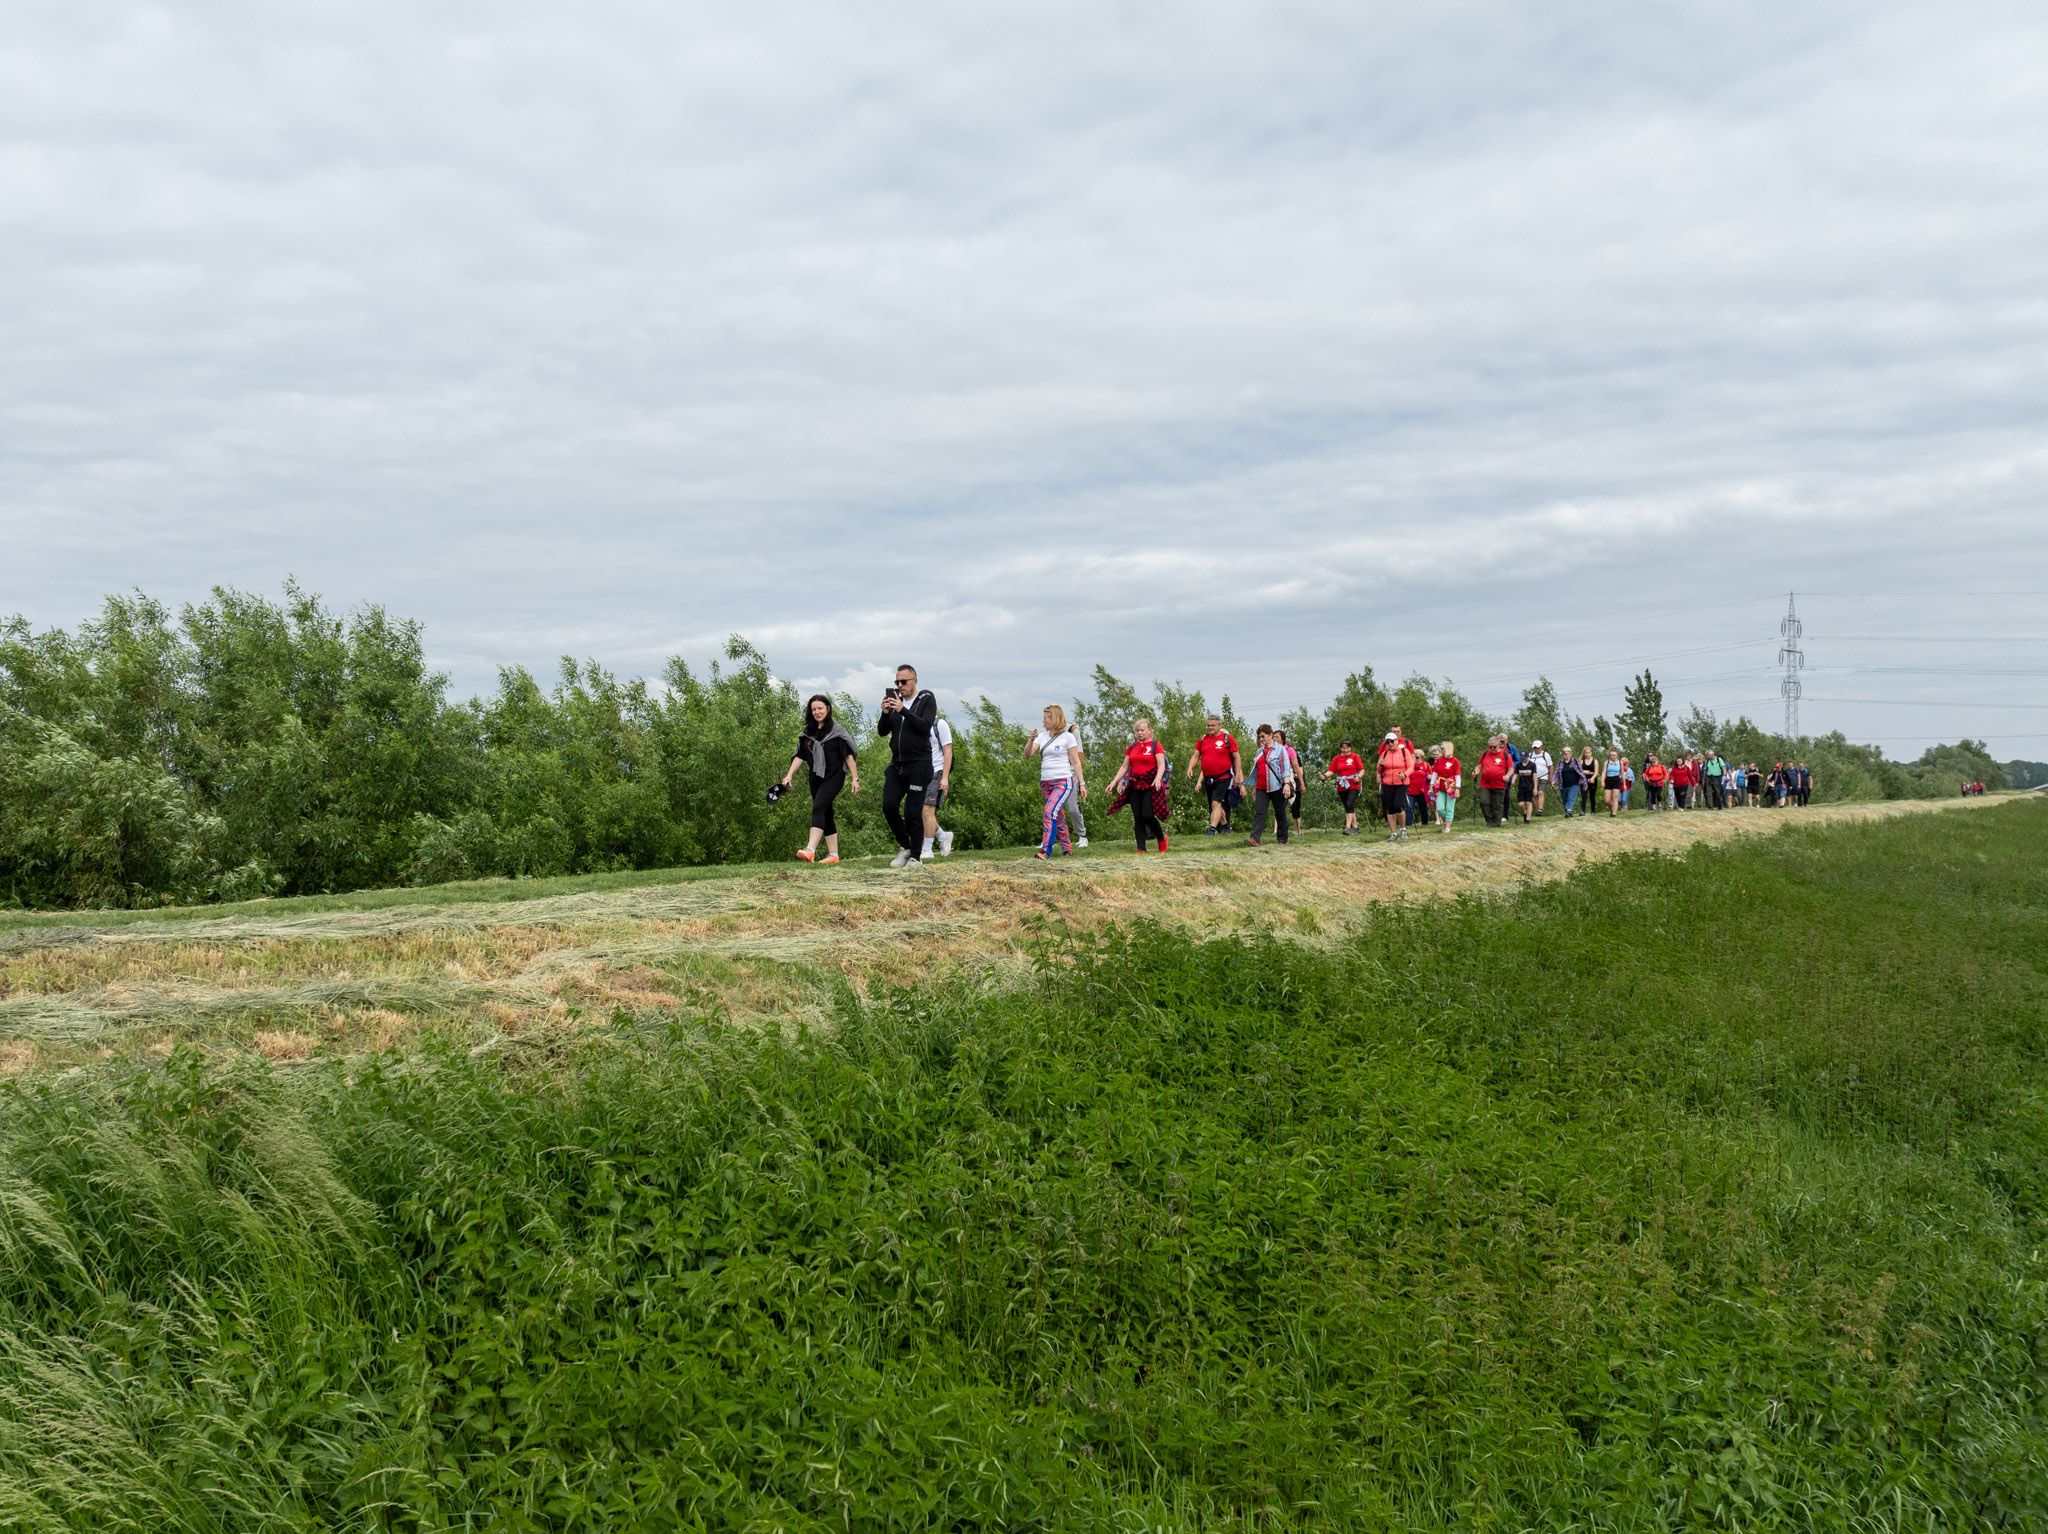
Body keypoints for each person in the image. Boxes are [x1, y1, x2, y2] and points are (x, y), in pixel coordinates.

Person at [781, 694, 860, 864]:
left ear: (828, 709)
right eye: (814, 709)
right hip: (815, 778)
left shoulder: (837, 732)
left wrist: (855, 778)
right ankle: (833, 855)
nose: (817, 712)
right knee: (826, 812)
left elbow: (848, 757)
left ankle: (810, 850)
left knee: (818, 808)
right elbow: (800, 756)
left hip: (834, 777)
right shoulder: (807, 733)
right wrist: (789, 775)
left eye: (820, 708)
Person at [877, 663, 938, 868]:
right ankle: (906, 846)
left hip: (919, 764)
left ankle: (916, 857)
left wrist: (903, 710)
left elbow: (924, 726)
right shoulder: (896, 703)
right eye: (897, 682)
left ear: (914, 681)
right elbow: (882, 732)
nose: (900, 686)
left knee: (912, 812)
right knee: (889, 806)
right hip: (897, 764)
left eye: (904, 681)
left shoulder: (926, 698)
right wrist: (886, 712)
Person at [1026, 705, 1085, 858]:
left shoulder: (1068, 737)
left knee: (1049, 812)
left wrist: (1082, 783)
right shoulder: (1041, 737)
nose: (1044, 721)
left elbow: (1076, 761)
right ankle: (1067, 848)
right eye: (1044, 717)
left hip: (1063, 781)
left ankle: (1046, 851)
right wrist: (1031, 740)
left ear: (1055, 719)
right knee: (1057, 815)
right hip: (1046, 782)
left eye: (1047, 717)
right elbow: (1028, 754)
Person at [1108, 717, 1170, 852]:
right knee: (1138, 817)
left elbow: (1161, 765)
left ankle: (1161, 838)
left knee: (1147, 815)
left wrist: (1158, 778)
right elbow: (1125, 767)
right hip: (1135, 786)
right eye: (1137, 731)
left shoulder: (1155, 745)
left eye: (1142, 730)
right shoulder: (1132, 747)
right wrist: (1115, 781)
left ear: (1150, 731)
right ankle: (1141, 848)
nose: (1139, 733)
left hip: (1151, 786)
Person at [1188, 714, 1243, 836]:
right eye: (1208, 725)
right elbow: (1196, 755)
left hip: (1223, 776)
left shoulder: (1227, 738)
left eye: (1212, 725)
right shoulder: (1203, 739)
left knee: (1215, 803)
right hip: (1208, 778)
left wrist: (1238, 775)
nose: (1210, 727)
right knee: (1215, 804)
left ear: (1219, 725)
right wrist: (1190, 768)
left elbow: (1236, 757)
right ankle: (1225, 826)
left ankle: (1212, 829)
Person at [1246, 724, 1296, 846]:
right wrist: (1254, 787)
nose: (1261, 739)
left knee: (1280, 813)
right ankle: (1255, 839)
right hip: (1261, 788)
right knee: (1259, 813)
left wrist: (1286, 784)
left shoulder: (1281, 750)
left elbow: (1285, 769)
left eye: (1263, 736)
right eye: (1259, 737)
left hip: (1277, 787)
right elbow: (1257, 771)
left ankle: (1282, 838)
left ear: (1270, 735)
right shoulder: (1259, 751)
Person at [921, 714, 955, 861]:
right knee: (920, 811)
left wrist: (945, 778)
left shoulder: (940, 724)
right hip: (921, 773)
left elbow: (948, 752)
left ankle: (927, 850)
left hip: (937, 771)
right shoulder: (918, 724)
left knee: (927, 811)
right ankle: (943, 836)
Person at [1377, 727, 1419, 841]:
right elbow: (1379, 770)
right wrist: (1380, 765)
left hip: (1401, 782)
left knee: (1398, 806)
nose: (1390, 744)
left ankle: (1403, 829)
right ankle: (1393, 833)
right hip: (1387, 783)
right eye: (1388, 742)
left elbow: (1411, 767)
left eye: (1392, 741)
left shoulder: (1404, 752)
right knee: (1390, 809)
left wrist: (1405, 774)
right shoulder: (1384, 754)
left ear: (1396, 741)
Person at [1324, 738, 1366, 834]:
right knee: (1348, 807)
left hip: (1354, 785)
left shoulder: (1355, 757)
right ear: (1340, 748)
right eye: (1343, 748)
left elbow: (1362, 769)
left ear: (1350, 748)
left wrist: (1359, 777)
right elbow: (1331, 771)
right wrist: (1324, 776)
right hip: (1342, 786)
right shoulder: (1336, 759)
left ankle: (1347, 828)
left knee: (1349, 803)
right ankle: (1355, 827)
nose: (1345, 750)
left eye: (1347, 748)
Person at [1475, 735, 1513, 828]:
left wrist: (1508, 775)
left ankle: (1496, 823)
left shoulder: (1505, 755)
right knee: (1483, 801)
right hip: (1485, 783)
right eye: (1490, 747)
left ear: (1498, 745)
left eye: (1494, 747)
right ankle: (1489, 820)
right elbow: (1479, 766)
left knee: (1497, 805)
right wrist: (1476, 771)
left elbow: (1511, 768)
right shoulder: (1485, 754)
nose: (1492, 748)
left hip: (1499, 784)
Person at [1276, 730, 1307, 834]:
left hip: (1294, 783)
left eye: (1277, 737)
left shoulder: (1292, 753)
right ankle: (1279, 830)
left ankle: (1297, 831)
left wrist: (1301, 783)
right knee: (1280, 806)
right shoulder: (1273, 751)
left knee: (1295, 807)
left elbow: (1299, 770)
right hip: (1279, 782)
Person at [1431, 740, 1462, 832]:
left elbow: (1458, 776)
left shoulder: (1455, 761)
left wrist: (1457, 788)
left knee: (1449, 808)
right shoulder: (1439, 761)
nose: (1441, 750)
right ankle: (1445, 821)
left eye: (1443, 748)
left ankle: (1448, 826)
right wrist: (1431, 786)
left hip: (1451, 786)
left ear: (1448, 749)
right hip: (1440, 786)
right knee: (1440, 808)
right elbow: (1434, 774)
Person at [1407, 747, 1433, 827]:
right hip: (1410, 790)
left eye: (1417, 754)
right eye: (1414, 754)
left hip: (1422, 790)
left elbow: (1431, 775)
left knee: (1423, 807)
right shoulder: (1410, 765)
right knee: (1409, 807)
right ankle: (1409, 824)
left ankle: (1425, 823)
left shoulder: (1426, 765)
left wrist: (1429, 776)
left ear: (1421, 755)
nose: (1415, 756)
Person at [1512, 745, 1540, 823]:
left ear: (1528, 757)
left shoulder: (1532, 765)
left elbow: (1534, 776)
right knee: (1521, 804)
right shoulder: (1519, 765)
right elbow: (1516, 774)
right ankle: (1525, 812)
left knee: (1528, 802)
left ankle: (1528, 819)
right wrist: (1513, 780)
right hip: (1521, 786)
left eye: (1525, 757)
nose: (1523, 758)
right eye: (1522, 757)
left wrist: (1535, 788)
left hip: (1530, 786)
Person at [1526, 740, 1553, 816]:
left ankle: (1540, 809)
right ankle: (1537, 809)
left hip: (1543, 776)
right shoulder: (1530, 755)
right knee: (1534, 794)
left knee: (1540, 792)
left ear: (1541, 747)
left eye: (1538, 748)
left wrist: (1551, 778)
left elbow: (1550, 766)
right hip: (1533, 777)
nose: (1536, 749)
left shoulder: (1545, 754)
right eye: (1535, 748)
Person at [1558, 748, 1586, 819]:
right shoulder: (1561, 763)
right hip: (1563, 785)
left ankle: (1569, 811)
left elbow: (1581, 771)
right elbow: (1556, 772)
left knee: (1571, 797)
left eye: (1568, 752)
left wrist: (1584, 781)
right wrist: (1553, 780)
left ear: (1571, 753)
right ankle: (1568, 811)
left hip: (1574, 783)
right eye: (1564, 752)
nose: (1566, 753)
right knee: (1565, 799)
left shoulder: (1575, 762)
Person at [1602, 747, 1624, 816]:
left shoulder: (1620, 762)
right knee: (1607, 800)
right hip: (1608, 780)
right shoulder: (1607, 762)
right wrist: (1602, 781)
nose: (1612, 757)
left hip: (1616, 779)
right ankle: (1614, 807)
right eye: (1611, 755)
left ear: (1617, 755)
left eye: (1614, 755)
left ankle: (1614, 814)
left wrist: (1624, 784)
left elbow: (1622, 773)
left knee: (1615, 798)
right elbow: (1604, 772)